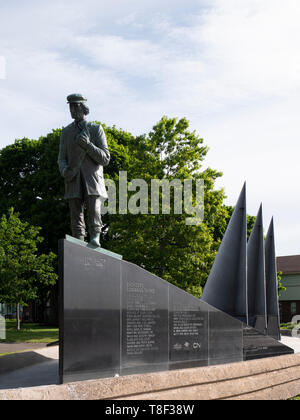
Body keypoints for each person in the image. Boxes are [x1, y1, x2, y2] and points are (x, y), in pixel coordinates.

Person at [58, 93, 110, 247]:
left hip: (92, 178)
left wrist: (88, 145)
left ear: (83, 107)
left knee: (94, 209)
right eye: (70, 106)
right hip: (73, 177)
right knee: (75, 212)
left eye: (75, 106)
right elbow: (61, 157)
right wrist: (64, 170)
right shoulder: (66, 132)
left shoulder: (95, 129)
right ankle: (78, 239)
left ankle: (95, 236)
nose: (72, 110)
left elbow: (105, 158)